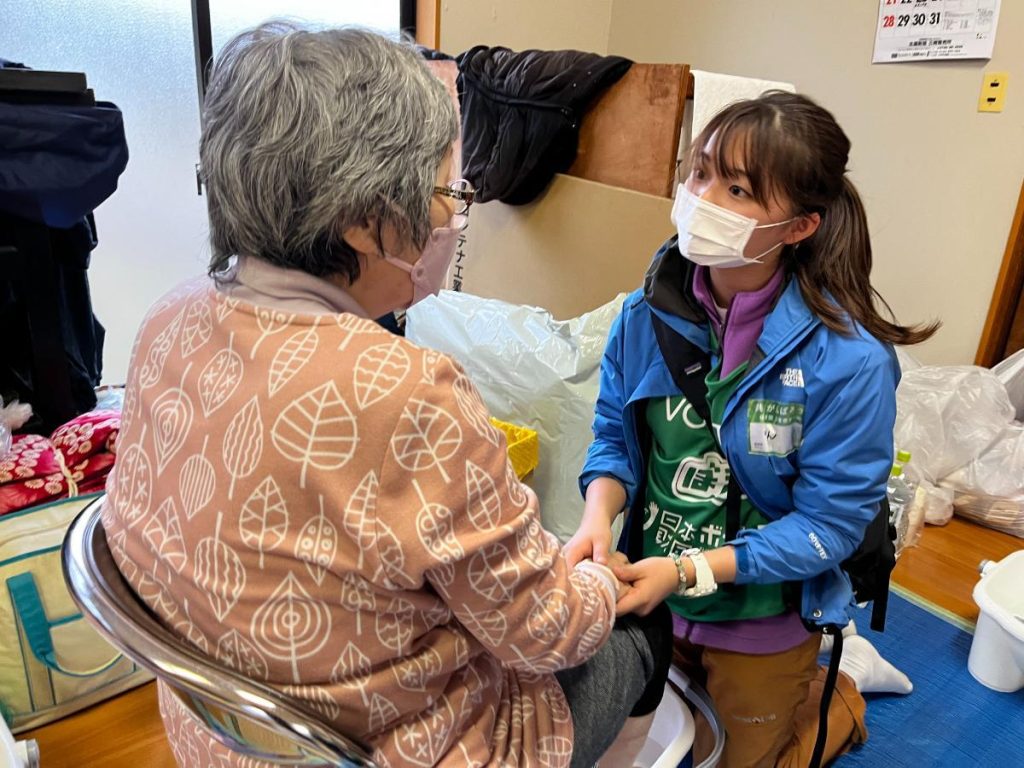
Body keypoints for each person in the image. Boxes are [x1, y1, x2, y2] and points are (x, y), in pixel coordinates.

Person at [103, 23, 671, 768]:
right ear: (364, 221)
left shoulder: (171, 317)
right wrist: (595, 577)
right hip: (375, 751)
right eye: (447, 191)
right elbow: (542, 632)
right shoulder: (409, 391)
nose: (455, 217)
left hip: (220, 730)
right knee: (642, 632)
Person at [564, 91, 926, 768]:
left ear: (798, 227)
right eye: (700, 173)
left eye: (737, 188)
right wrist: (596, 518)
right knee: (648, 745)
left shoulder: (849, 363)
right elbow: (615, 435)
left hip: (763, 615)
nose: (703, 199)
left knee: (733, 758)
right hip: (652, 593)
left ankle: (834, 702)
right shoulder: (647, 315)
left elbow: (829, 524)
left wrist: (691, 570)